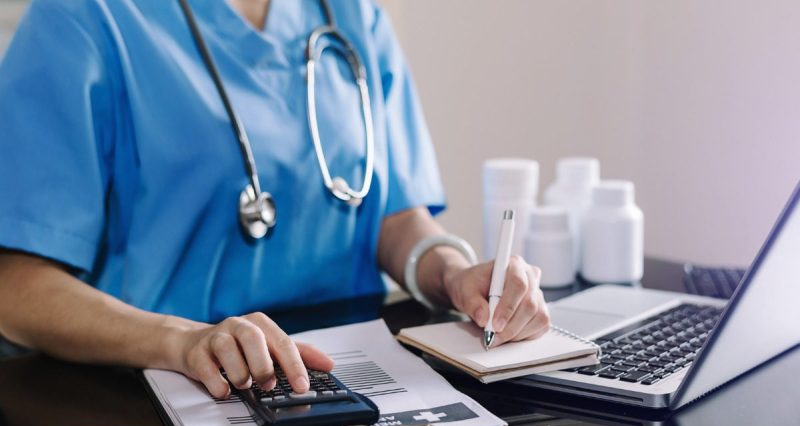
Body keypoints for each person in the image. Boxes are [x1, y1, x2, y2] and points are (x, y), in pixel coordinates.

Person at [0, 0, 550, 398]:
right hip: (164, 392)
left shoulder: (351, 13)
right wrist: (184, 340)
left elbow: (390, 214)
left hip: (350, 383)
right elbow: (17, 286)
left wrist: (454, 275)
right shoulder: (83, 17)